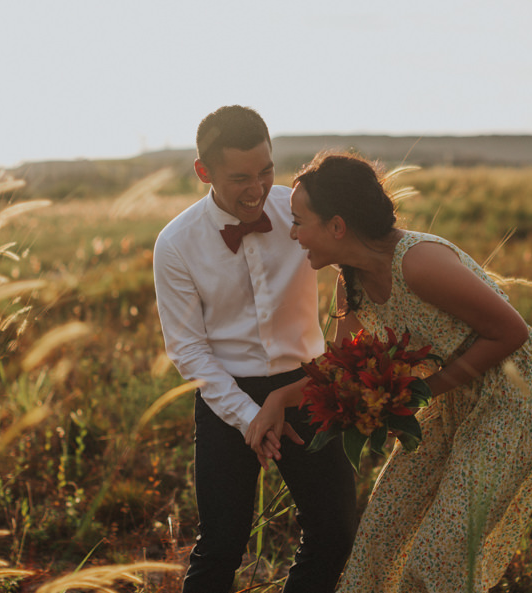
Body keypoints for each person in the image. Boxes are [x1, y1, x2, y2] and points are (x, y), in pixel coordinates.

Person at [246, 152, 532, 592]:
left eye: (299, 221)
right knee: (379, 537)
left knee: (440, 553)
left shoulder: (418, 263)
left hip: (511, 403)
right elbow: (340, 370)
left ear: (337, 226)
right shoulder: (348, 280)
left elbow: (512, 333)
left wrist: (420, 391)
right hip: (444, 403)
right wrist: (279, 399)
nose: (292, 233)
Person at [153, 107, 357, 593]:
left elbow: (355, 260)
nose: (258, 188)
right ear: (204, 172)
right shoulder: (176, 245)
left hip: (310, 387)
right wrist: (250, 417)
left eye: (266, 171)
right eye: (240, 177)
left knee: (335, 532)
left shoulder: (300, 209)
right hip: (227, 394)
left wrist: (346, 326)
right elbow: (189, 351)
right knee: (221, 545)